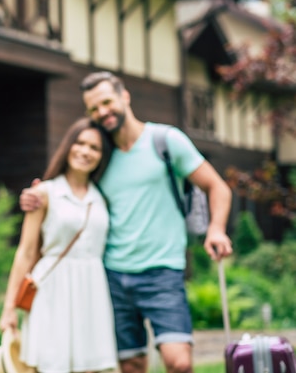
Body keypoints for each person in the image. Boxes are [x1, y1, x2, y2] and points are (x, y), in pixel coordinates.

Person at [20, 71, 233, 373]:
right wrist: (37, 196)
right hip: (114, 276)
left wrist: (216, 228)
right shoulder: (100, 155)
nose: (102, 112)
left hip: (163, 272)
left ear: (125, 96)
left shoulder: (166, 141)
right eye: (93, 109)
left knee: (179, 362)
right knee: (131, 364)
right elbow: (73, 190)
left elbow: (218, 186)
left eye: (107, 102)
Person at [0, 117, 117, 373]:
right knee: (52, 365)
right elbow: (26, 251)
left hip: (92, 290)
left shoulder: (102, 198)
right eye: (80, 143)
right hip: (52, 289)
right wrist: (9, 308)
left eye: (94, 148)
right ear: (68, 146)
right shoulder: (44, 193)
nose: (85, 152)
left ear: (102, 156)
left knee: (91, 367)